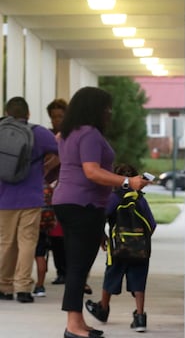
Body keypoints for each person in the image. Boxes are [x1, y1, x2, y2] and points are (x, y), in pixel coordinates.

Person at [53, 86, 151, 338]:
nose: (109, 112)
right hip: (82, 204)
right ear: (94, 108)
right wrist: (128, 182)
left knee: (79, 265)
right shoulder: (88, 134)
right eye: (106, 107)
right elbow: (91, 171)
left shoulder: (67, 133)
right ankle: (73, 326)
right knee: (78, 266)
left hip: (70, 202)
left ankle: (77, 321)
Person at [0, 97, 59, 303]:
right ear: (28, 114)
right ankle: (23, 288)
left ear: (7, 113)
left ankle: (4, 286)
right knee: (27, 242)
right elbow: (60, 150)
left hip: (3, 199)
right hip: (31, 197)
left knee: (5, 243)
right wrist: (49, 165)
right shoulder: (39, 133)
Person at [86, 163, 156, 333]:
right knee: (139, 282)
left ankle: (103, 308)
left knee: (111, 276)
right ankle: (140, 317)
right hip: (140, 251)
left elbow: (101, 218)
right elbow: (151, 224)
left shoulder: (114, 198)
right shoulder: (140, 199)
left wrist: (103, 237)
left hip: (117, 249)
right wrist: (140, 242)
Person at [46, 98, 68, 286]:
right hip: (50, 188)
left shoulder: (72, 135)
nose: (56, 120)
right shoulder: (47, 135)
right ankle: (61, 271)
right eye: (53, 117)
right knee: (55, 233)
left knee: (67, 233)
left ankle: (71, 270)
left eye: (60, 116)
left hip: (68, 188)